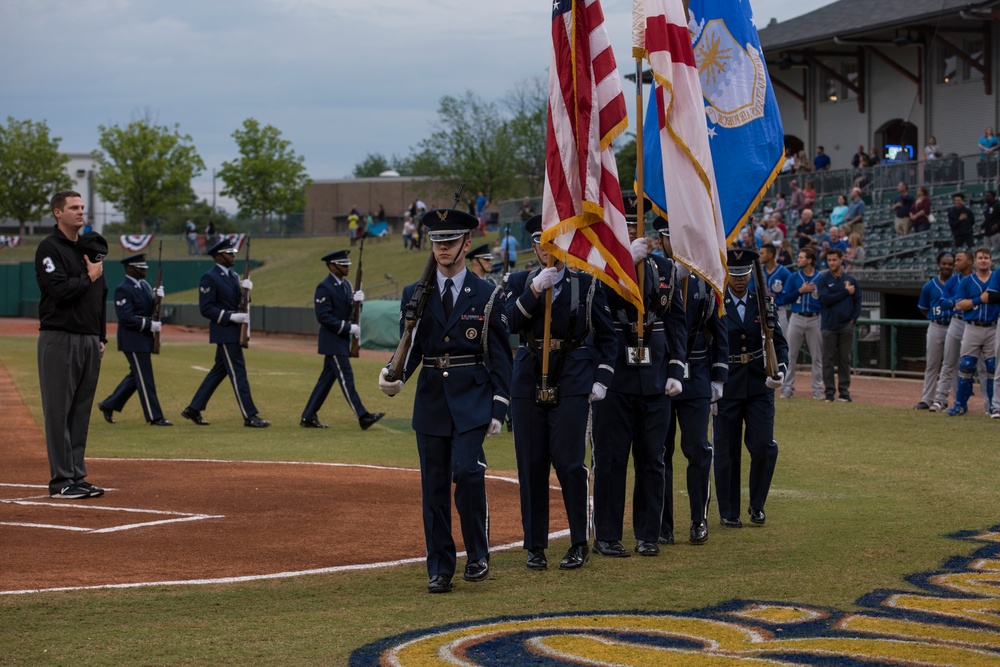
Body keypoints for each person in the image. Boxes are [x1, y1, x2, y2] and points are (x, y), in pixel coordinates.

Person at [377, 208, 511, 594]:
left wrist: (499, 406)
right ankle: (440, 566)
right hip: (432, 400)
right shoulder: (415, 294)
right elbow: (411, 347)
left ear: (467, 244)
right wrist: (395, 374)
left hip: (472, 398)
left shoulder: (488, 295)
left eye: (450, 241)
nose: (442, 249)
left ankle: (479, 553)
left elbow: (501, 356)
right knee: (433, 486)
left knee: (468, 474)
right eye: (437, 242)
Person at [504, 214, 616, 570]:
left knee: (569, 463)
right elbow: (508, 323)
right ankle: (535, 546)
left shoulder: (586, 285)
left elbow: (608, 336)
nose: (544, 248)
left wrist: (602, 378)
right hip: (528, 377)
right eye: (539, 242)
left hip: (572, 376)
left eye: (551, 240)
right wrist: (534, 290)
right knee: (531, 463)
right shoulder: (519, 280)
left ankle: (579, 541)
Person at [592, 205, 687, 559]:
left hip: (655, 376)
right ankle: (607, 535)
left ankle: (649, 533)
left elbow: (676, 319)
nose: (633, 229)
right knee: (612, 459)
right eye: (626, 224)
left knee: (653, 458)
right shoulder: (601, 265)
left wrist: (677, 368)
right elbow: (599, 304)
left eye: (637, 224)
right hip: (615, 374)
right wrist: (624, 264)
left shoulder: (663, 266)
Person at [656, 217, 727, 545]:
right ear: (661, 241)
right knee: (660, 451)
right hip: (659, 374)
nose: (678, 244)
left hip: (696, 374)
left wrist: (718, 378)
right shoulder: (654, 276)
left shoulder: (704, 280)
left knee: (697, 448)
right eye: (671, 237)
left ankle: (699, 519)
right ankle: (662, 523)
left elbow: (718, 329)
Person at [35, 192, 108, 499]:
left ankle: (76, 475)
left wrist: (100, 335)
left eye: (82, 207)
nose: (81, 212)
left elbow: (100, 297)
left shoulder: (89, 249)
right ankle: (61, 481)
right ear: (57, 213)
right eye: (74, 208)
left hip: (89, 339)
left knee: (80, 412)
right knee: (58, 411)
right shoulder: (49, 248)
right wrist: (89, 277)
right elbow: (60, 290)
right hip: (60, 337)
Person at [714, 248, 787, 528]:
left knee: (763, 446)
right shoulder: (718, 302)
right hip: (728, 383)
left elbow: (778, 343)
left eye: (744, 275)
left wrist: (780, 370)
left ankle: (757, 505)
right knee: (726, 451)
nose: (740, 280)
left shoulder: (764, 304)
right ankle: (728, 511)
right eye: (735, 275)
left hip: (759, 383)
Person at [181, 238, 270, 428]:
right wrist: (230, 317)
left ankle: (194, 408)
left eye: (233, 253)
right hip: (225, 332)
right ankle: (250, 415)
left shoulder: (233, 276)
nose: (233, 257)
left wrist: (247, 291)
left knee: (218, 372)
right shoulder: (210, 277)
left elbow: (241, 301)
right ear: (219, 256)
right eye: (230, 254)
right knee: (238, 373)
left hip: (234, 331)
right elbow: (206, 308)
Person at [300, 250, 384, 430]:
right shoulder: (324, 287)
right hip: (332, 341)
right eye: (342, 264)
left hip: (341, 341)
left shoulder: (346, 286)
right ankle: (363, 416)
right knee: (347, 378)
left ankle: (308, 416)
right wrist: (348, 328)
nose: (346, 267)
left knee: (325, 381)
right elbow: (323, 316)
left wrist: (357, 303)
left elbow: (351, 313)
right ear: (332, 266)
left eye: (347, 264)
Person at [97, 253, 171, 426]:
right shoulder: (123, 288)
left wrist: (156, 298)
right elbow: (126, 317)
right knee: (145, 377)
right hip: (132, 339)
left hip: (143, 338)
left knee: (136, 376)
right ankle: (155, 416)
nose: (144, 271)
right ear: (130, 268)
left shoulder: (144, 285)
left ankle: (109, 404)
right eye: (140, 267)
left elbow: (150, 308)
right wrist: (148, 325)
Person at [944, 247, 997, 416]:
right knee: (966, 365)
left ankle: (992, 406)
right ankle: (960, 404)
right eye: (980, 257)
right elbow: (959, 305)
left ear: (991, 260)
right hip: (972, 326)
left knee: (992, 367)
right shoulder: (967, 281)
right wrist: (979, 300)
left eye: (986, 258)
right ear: (974, 261)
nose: (983, 260)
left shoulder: (996, 278)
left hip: (993, 326)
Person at [931, 250, 975, 412]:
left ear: (969, 262)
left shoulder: (978, 279)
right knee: (948, 363)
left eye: (959, 260)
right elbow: (943, 304)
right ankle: (941, 399)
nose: (955, 263)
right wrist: (962, 301)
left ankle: (991, 404)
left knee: (985, 367)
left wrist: (966, 302)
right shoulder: (952, 281)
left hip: (975, 323)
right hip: (956, 321)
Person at [817, 248, 862, 402]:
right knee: (827, 360)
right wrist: (844, 292)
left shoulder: (850, 279)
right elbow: (825, 299)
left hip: (845, 326)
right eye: (829, 260)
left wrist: (853, 319)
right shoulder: (823, 279)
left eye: (834, 260)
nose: (831, 263)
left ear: (841, 260)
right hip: (828, 325)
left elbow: (857, 300)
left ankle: (844, 392)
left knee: (844, 360)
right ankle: (829, 392)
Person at [914, 252, 957, 410]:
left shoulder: (958, 283)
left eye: (950, 263)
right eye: (944, 263)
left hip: (954, 325)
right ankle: (927, 399)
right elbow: (923, 308)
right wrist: (934, 317)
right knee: (932, 364)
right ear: (938, 264)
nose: (947, 266)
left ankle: (957, 401)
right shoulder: (930, 286)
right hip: (936, 326)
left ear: (954, 265)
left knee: (955, 365)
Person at [780, 247, 824, 399]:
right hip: (796, 317)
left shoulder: (820, 278)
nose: (798, 259)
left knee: (817, 357)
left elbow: (825, 300)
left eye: (802, 257)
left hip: (815, 319)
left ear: (810, 260)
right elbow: (784, 299)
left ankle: (818, 389)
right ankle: (786, 388)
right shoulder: (793, 277)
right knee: (790, 355)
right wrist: (800, 291)